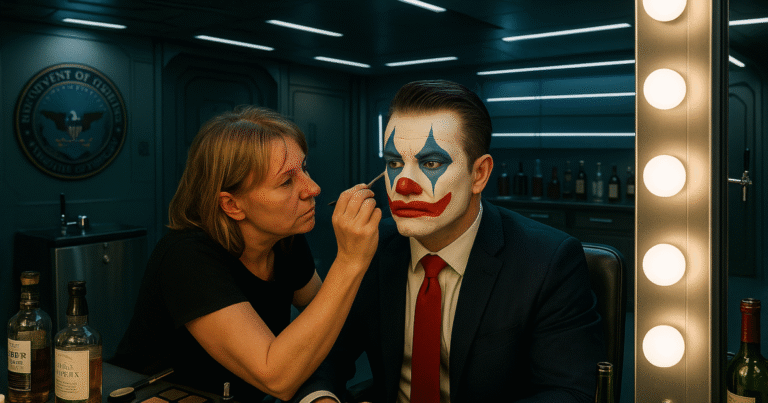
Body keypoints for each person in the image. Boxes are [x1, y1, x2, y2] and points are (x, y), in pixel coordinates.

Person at [292, 80, 605, 403]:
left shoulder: (547, 261)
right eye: (394, 164)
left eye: (431, 163)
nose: (404, 185)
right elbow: (320, 357)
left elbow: (568, 392)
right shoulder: (369, 247)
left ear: (479, 174)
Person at [112, 106, 381, 402]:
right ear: (232, 205)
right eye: (286, 181)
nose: (313, 188)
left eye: (304, 168)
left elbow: (330, 324)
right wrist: (350, 261)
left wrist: (320, 393)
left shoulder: (284, 243)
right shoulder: (186, 257)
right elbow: (275, 376)